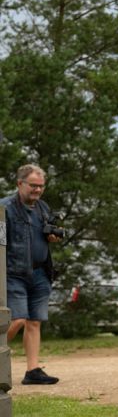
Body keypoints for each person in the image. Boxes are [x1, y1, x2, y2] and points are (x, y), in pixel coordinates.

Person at [2, 164, 61, 385]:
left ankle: (32, 370)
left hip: (40, 272)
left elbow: (45, 233)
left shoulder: (43, 208)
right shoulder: (4, 208)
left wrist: (52, 237)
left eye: (41, 186)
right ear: (20, 184)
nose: (37, 190)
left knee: (34, 321)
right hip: (13, 273)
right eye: (33, 186)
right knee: (16, 320)